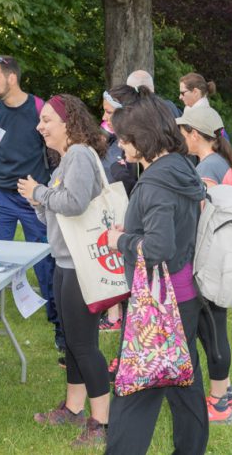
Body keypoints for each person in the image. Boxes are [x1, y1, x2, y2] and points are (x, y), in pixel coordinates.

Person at [105, 89, 208, 454]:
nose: (119, 145)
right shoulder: (181, 167)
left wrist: (121, 240)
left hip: (158, 304)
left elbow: (159, 247)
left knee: (134, 394)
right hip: (184, 298)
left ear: (143, 138)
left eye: (124, 138)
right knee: (185, 385)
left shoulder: (154, 183)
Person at [17, 94, 111, 448]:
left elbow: (74, 204)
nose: (40, 126)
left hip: (80, 266)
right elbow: (54, 214)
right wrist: (38, 201)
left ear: (68, 123)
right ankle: (73, 408)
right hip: (65, 263)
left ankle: (101, 422)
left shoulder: (80, 156)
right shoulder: (65, 161)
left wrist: (39, 191)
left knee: (85, 344)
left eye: (46, 120)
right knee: (73, 340)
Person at [0, 55, 63, 353]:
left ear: (11, 78)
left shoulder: (40, 110)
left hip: (35, 197)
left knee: (45, 260)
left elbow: (56, 149)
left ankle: (59, 324)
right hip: (1, 197)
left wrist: (50, 190)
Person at [177, 105, 232, 425]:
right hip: (223, 256)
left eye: (183, 132)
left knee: (213, 330)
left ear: (194, 135)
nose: (179, 137)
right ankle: (227, 393)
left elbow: (202, 214)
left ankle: (220, 403)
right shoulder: (217, 161)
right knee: (212, 328)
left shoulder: (208, 169)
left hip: (213, 257)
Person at [97, 85, 143, 334]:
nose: (104, 118)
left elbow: (141, 185)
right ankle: (115, 313)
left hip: (131, 217)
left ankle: (124, 316)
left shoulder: (139, 144)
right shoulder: (113, 140)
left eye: (107, 112)